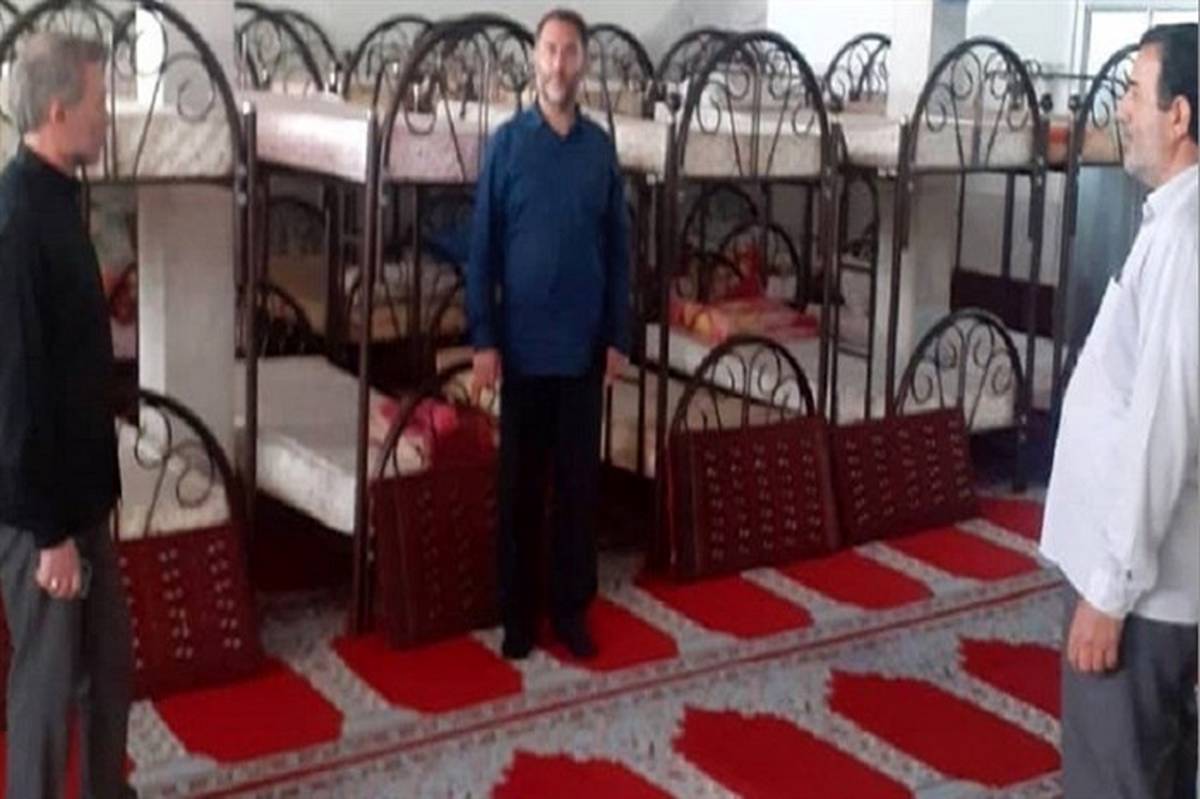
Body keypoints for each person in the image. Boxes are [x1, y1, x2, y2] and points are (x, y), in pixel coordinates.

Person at [1040, 22, 1198, 799]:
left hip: (1139, 597)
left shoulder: (1186, 242)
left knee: (1117, 776)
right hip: (1139, 584)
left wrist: (1109, 590)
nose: (1122, 109)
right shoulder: (1168, 222)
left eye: (1135, 92)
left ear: (1180, 115)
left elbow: (1161, 430)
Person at [467, 8, 630, 660]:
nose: (558, 64)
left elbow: (619, 249)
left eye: (570, 52)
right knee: (520, 490)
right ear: (535, 60)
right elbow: (482, 250)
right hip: (523, 349)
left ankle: (570, 610)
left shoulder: (599, 150)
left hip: (583, 349)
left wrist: (617, 335)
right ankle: (517, 615)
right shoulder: (507, 145)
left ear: (583, 62)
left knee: (578, 490)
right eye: (550, 50)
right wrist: (484, 339)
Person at [0, 33, 136, 799]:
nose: (107, 115)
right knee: (47, 695)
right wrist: (49, 534)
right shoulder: (17, 219)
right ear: (58, 110)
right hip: (41, 513)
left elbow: (60, 342)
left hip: (83, 494)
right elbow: (14, 390)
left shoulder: (58, 198)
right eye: (99, 101)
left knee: (108, 670)